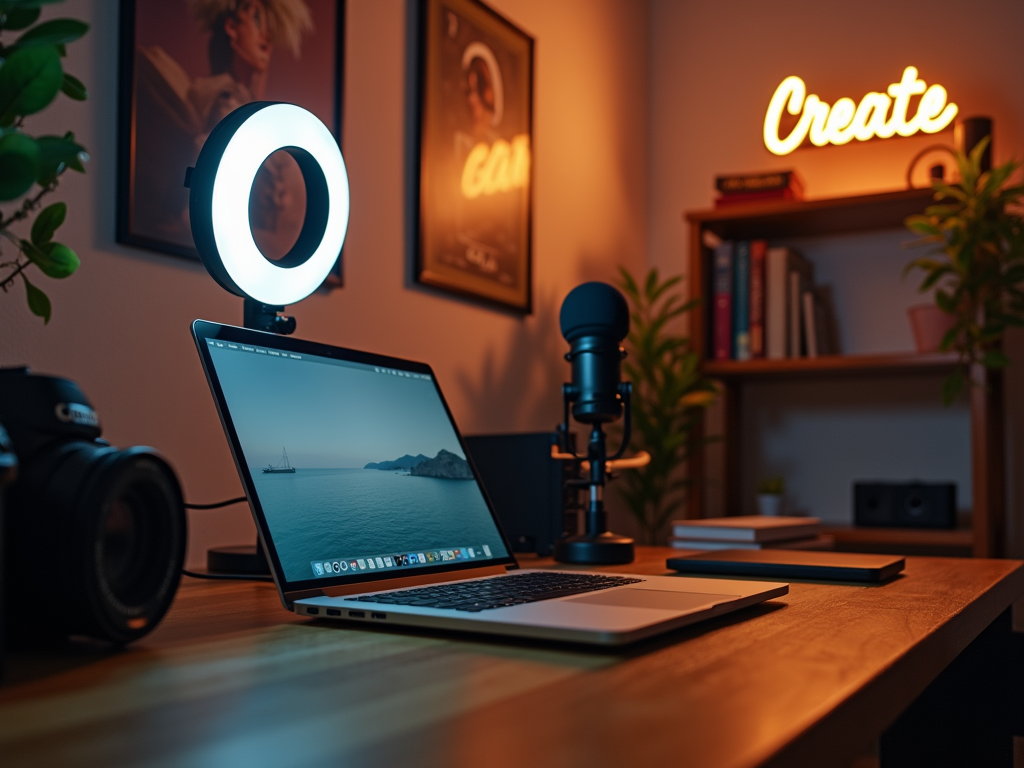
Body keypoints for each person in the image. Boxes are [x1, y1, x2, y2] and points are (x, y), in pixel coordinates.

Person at [132, 0, 313, 252]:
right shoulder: (218, 99)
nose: (266, 35)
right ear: (231, 27)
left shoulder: (261, 116)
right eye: (257, 20)